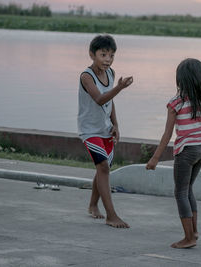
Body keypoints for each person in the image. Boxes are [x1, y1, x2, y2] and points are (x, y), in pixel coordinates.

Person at [146, 58, 201, 248]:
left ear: (180, 79)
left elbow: (167, 134)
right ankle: (195, 231)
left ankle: (189, 238)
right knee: (188, 189)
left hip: (186, 151)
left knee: (180, 192)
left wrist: (154, 159)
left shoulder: (176, 102)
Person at [78, 34, 133, 228]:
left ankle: (93, 205)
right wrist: (119, 87)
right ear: (92, 55)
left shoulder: (110, 73)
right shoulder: (87, 76)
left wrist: (116, 124)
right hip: (89, 130)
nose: (108, 60)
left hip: (105, 129)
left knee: (103, 168)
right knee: (103, 166)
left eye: (111, 55)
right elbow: (100, 99)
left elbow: (109, 101)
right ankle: (111, 215)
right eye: (103, 55)